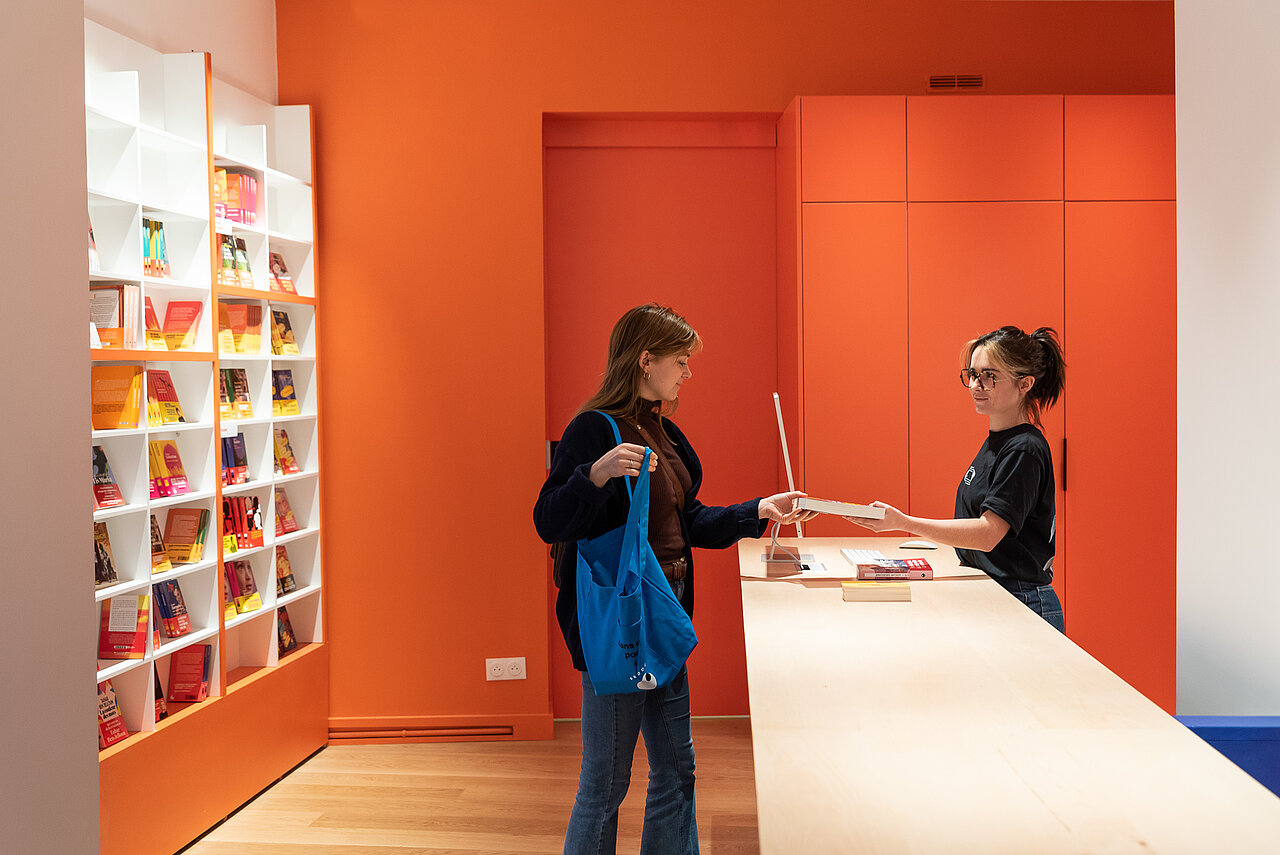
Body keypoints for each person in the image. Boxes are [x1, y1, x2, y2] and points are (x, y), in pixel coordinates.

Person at [534, 302, 814, 855]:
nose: (688, 372)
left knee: (677, 771)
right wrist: (596, 473)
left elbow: (690, 524)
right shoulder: (594, 429)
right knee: (607, 783)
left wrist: (762, 509)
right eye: (681, 360)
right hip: (620, 624)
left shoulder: (664, 430)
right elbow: (548, 519)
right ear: (645, 360)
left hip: (664, 616)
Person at [846, 325, 1067, 632]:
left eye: (990, 377)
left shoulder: (1024, 449)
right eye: (972, 375)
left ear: (1025, 384)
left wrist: (904, 523)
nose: (977, 385)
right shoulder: (998, 442)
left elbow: (988, 534)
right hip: (994, 595)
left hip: (1022, 602)